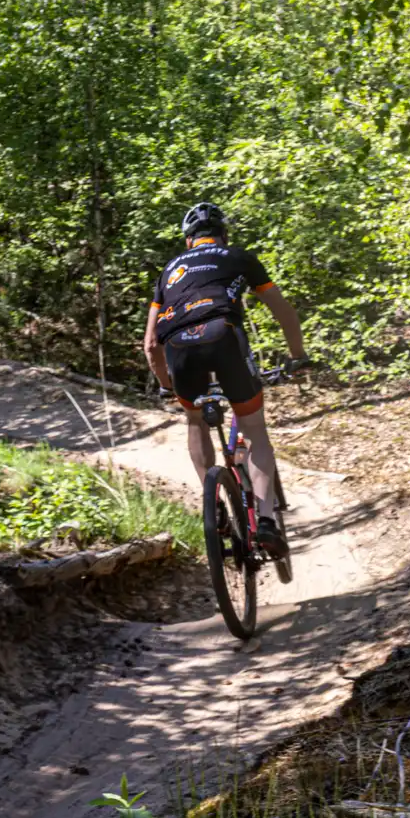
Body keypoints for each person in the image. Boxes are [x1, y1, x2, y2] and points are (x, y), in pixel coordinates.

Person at [143, 201, 308, 558]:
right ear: (223, 235)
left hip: (179, 349)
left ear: (188, 241)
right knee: (254, 431)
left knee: (195, 419)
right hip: (224, 336)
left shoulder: (168, 270)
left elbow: (150, 343)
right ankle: (265, 522)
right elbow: (285, 313)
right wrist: (297, 357)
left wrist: (166, 385)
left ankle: (212, 503)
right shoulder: (238, 256)